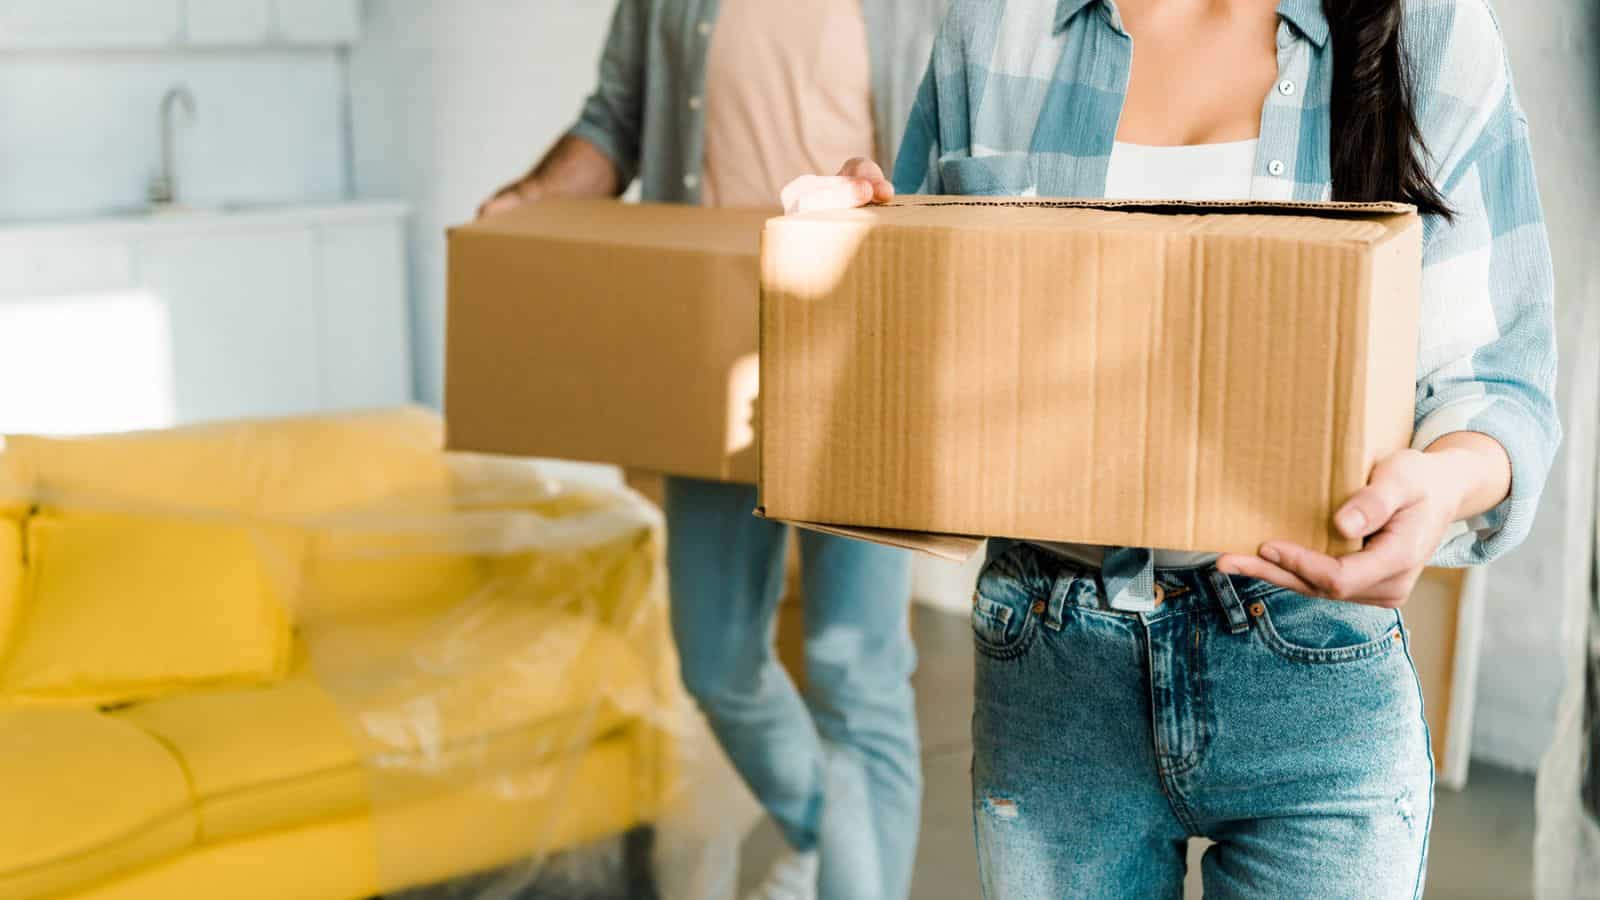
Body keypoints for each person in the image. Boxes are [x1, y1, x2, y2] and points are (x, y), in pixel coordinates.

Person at [782, 0, 1560, 896]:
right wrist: (854, 250)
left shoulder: (1432, 28)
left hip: (1311, 670)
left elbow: (1500, 382)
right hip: (1052, 670)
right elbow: (928, 336)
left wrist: (1443, 480)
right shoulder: (995, 25)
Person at [478, 3, 948, 899]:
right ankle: (834, 841)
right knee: (716, 654)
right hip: (707, 344)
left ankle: (853, 874)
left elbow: (956, 150)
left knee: (858, 671)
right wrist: (531, 202)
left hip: (866, 348)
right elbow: (613, 120)